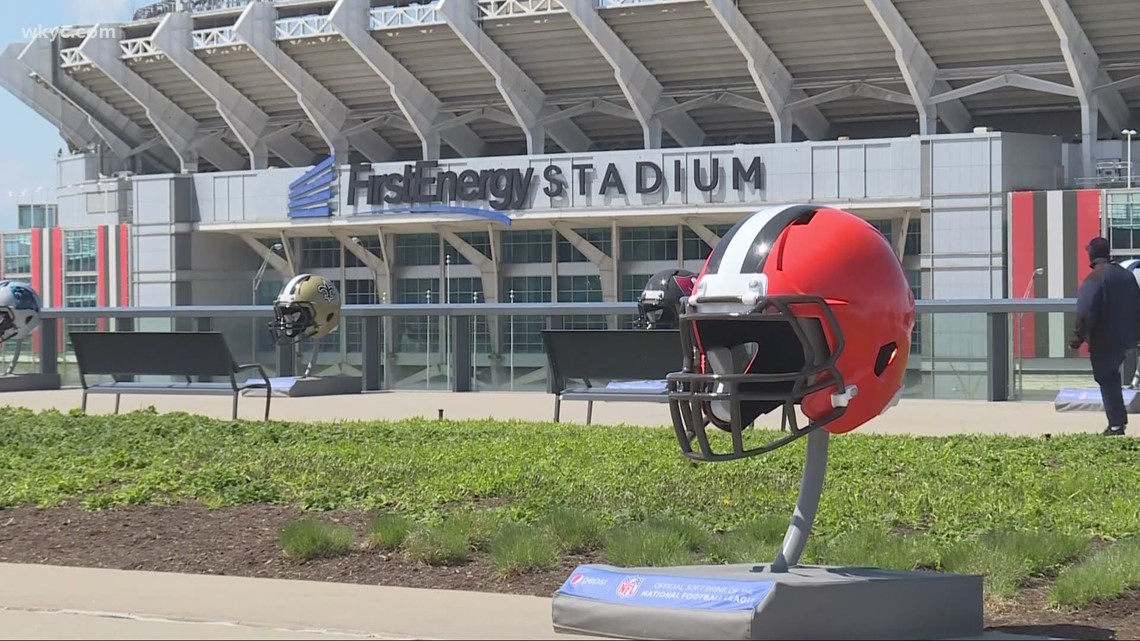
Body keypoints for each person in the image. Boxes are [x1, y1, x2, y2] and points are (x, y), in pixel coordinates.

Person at [1070, 237, 1140, 436]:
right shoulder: (1125, 276)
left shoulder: (1094, 279)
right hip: (1126, 339)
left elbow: (1085, 313)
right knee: (1111, 378)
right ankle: (1118, 423)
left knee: (1107, 378)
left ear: (1091, 255)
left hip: (1103, 340)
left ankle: (1116, 426)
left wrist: (1076, 341)